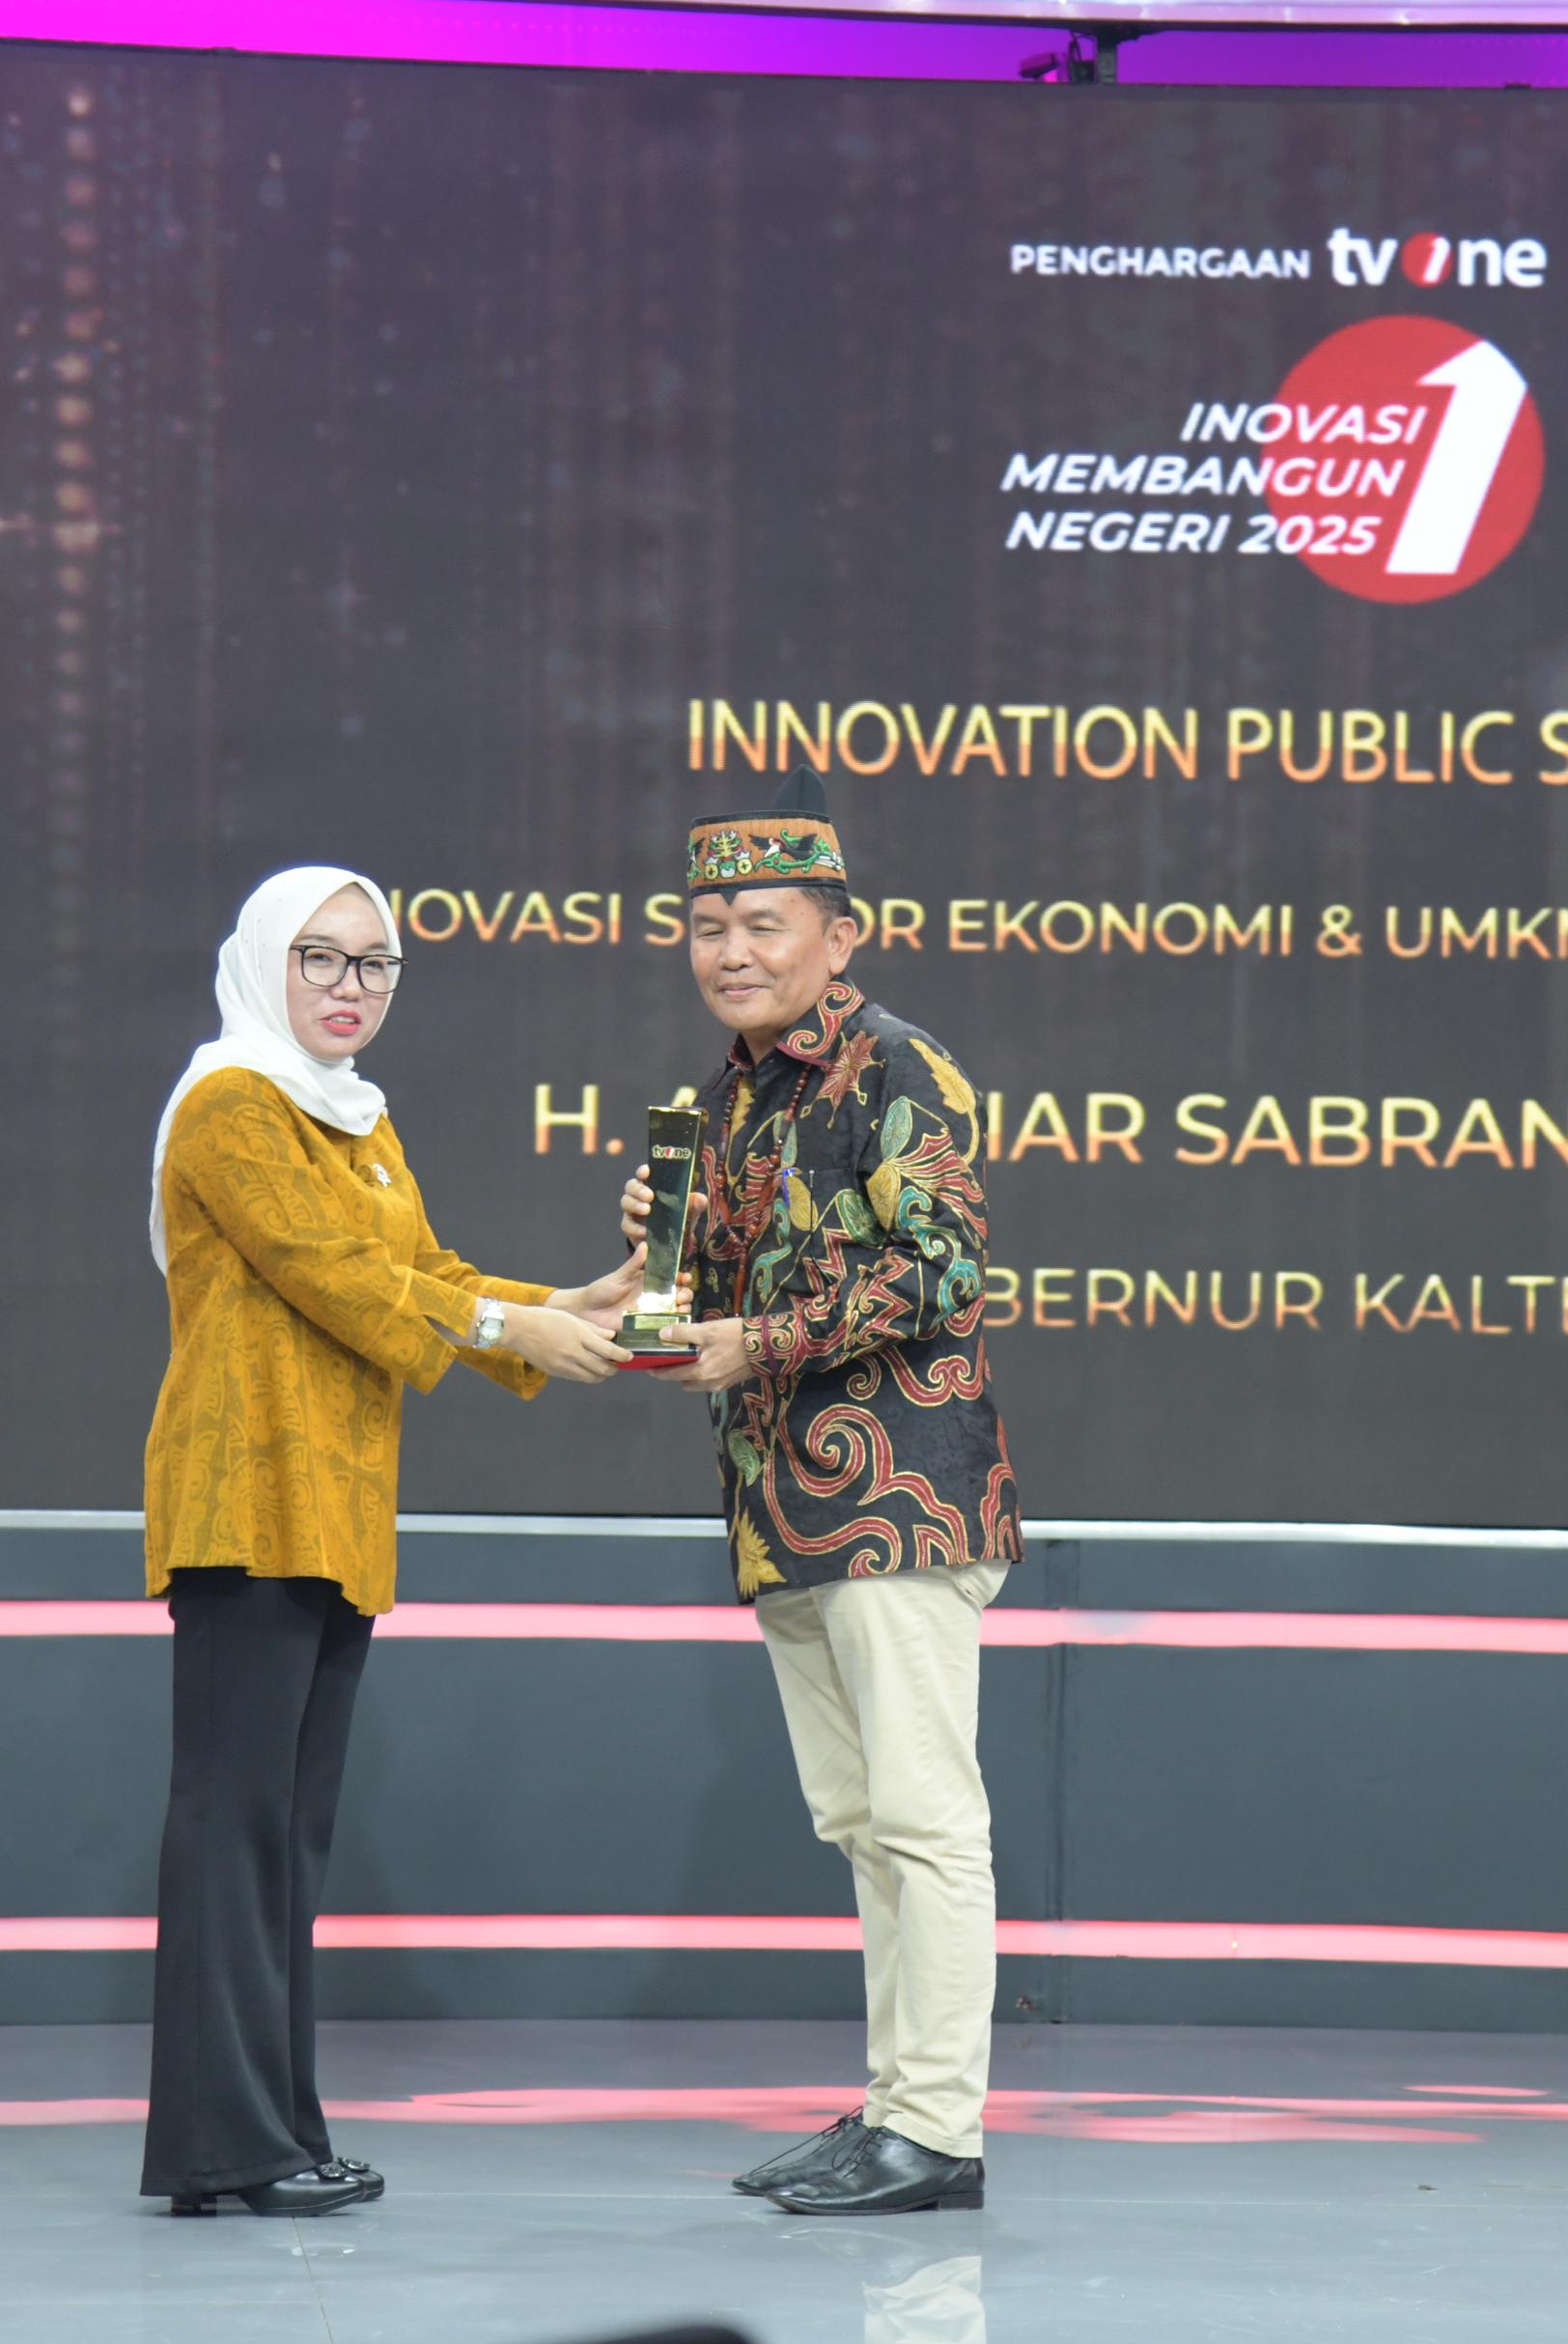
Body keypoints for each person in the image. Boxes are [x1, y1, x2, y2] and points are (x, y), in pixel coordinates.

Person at [142, 865, 640, 2217]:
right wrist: (510, 1327)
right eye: (321, 956)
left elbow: (432, 1273)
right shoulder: (232, 1102)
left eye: (374, 962)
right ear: (264, 961)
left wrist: (572, 1301)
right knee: (236, 1832)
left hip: (335, 1511)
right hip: (246, 1503)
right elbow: (337, 1273)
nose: (349, 985)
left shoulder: (357, 1116)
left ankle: (269, 2133)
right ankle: (229, 2147)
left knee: (283, 1840)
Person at [627, 772, 1022, 2217]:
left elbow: (945, 1270)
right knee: (862, 1824)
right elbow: (715, 1295)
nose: (731, 951)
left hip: (902, 1500)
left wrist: (760, 1336)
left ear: (839, 937)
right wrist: (663, 1261)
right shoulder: (724, 1098)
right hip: (783, 1507)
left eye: (765, 924)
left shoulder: (897, 1068)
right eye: (709, 926)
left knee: (926, 1819)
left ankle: (941, 2128)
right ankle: (896, 2111)